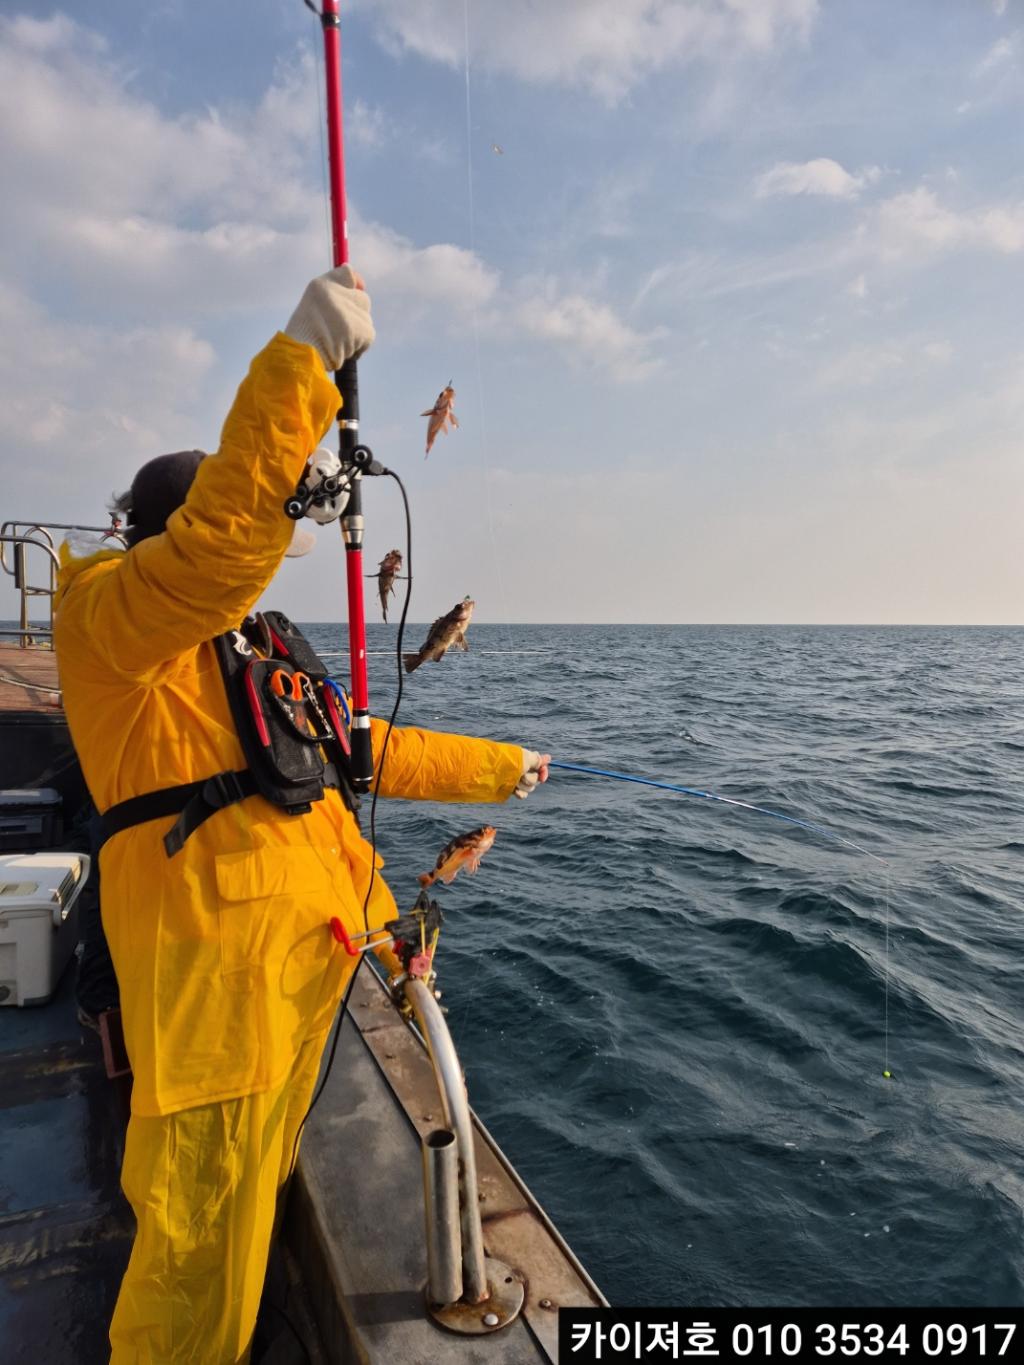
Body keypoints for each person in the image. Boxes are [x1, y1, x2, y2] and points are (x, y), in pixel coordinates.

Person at [53, 265, 550, 1363]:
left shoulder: (247, 653)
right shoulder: (109, 627)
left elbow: (359, 750)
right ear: (159, 534)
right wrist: (302, 366)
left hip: (309, 971)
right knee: (191, 1259)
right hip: (214, 1003)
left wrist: (498, 770)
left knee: (251, 1203)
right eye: (226, 512)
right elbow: (219, 556)